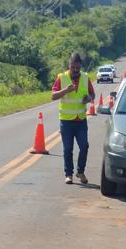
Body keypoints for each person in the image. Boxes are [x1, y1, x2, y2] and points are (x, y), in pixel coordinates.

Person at [50, 52, 94, 185]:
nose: (75, 70)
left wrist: (89, 99)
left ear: (80, 67)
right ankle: (68, 174)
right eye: (73, 67)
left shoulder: (86, 78)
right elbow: (53, 96)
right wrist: (65, 91)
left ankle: (80, 171)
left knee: (84, 146)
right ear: (69, 66)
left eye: (77, 68)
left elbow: (92, 94)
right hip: (66, 121)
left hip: (80, 120)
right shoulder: (61, 77)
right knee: (68, 149)